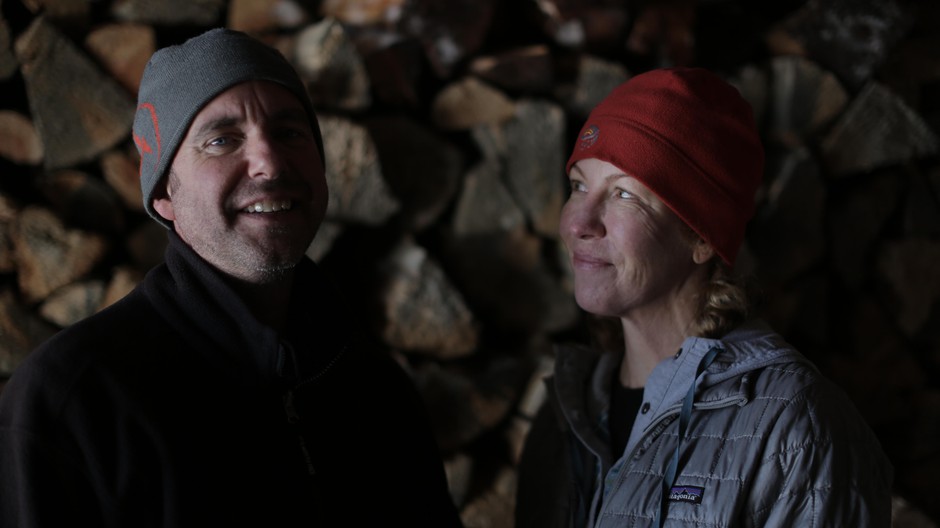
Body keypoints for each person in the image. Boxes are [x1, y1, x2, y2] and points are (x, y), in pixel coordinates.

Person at [0, 28, 462, 527]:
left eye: (289, 132)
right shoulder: (74, 400)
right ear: (164, 196)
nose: (269, 161)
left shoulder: (373, 388)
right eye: (221, 140)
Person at [515, 67, 893, 527]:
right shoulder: (564, 420)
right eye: (578, 185)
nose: (578, 223)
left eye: (623, 194)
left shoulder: (795, 429)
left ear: (702, 238)